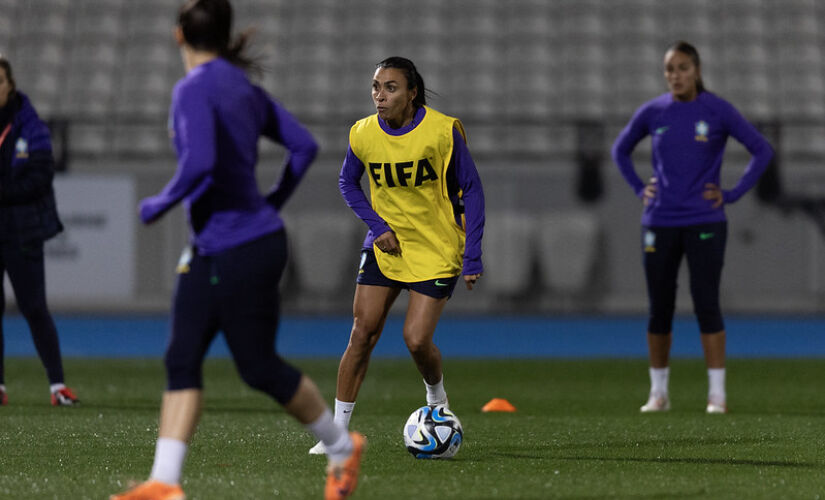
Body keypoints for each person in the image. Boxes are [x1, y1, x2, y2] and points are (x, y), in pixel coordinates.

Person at [110, 2, 363, 499]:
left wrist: (159, 202)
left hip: (239, 247)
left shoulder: (192, 90)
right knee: (182, 356)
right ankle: (164, 481)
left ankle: (342, 448)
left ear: (178, 35)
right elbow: (304, 146)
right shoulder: (244, 89)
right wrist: (273, 202)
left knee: (258, 367)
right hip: (225, 245)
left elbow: (201, 161)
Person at [309, 56, 484, 454]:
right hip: (385, 245)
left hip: (435, 247)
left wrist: (472, 256)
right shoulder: (363, 134)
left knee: (416, 340)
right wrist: (378, 226)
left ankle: (437, 400)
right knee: (362, 332)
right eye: (376, 87)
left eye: (390, 88)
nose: (380, 95)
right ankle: (337, 436)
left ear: (412, 93)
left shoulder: (443, 131)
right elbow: (347, 182)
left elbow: (471, 190)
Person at [611, 41, 773, 415]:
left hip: (705, 220)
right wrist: (639, 188)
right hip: (660, 221)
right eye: (669, 69)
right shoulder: (654, 111)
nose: (675, 75)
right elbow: (619, 150)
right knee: (659, 308)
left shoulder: (716, 110)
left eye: (682, 68)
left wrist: (731, 194)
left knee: (707, 303)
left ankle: (717, 394)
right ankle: (659, 393)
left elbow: (761, 149)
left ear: (697, 71)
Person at [0, 56, 78, 407]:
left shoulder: (31, 126)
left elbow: (41, 175)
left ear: (11, 85)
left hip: (22, 232)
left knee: (33, 307)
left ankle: (57, 385)